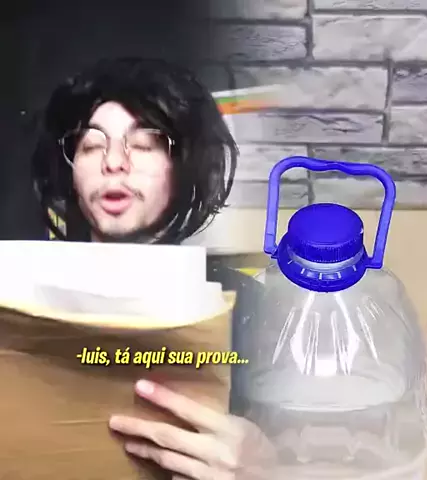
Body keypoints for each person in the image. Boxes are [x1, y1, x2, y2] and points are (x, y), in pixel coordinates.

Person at [31, 57, 275, 479]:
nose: (114, 162)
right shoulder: (20, 290)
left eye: (144, 144)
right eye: (91, 145)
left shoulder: (251, 307)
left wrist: (269, 466)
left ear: (183, 168)